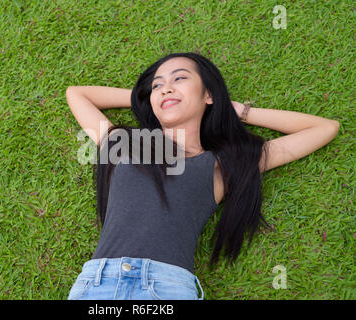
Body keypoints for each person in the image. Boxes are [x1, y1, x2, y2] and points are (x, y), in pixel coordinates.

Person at [65, 52, 340, 300]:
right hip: (97, 284)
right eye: (157, 84)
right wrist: (147, 97)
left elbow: (324, 128)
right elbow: (77, 94)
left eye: (180, 78)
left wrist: (242, 112)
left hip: (165, 289)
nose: (166, 87)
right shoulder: (123, 143)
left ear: (209, 95)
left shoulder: (223, 165)